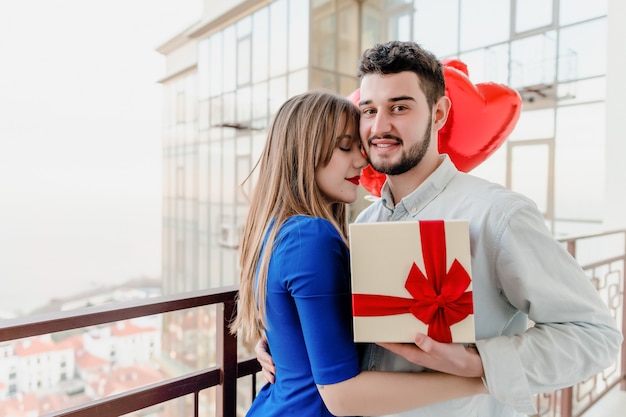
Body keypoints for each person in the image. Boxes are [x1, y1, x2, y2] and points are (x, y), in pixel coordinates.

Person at [255, 41, 623, 416]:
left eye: (399, 107)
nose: (380, 126)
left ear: (439, 112)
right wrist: (284, 347)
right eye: (369, 110)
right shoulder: (364, 223)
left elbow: (596, 338)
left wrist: (481, 363)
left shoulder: (497, 214)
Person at [230, 89, 487, 417]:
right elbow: (342, 396)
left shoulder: (276, 230)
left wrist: (282, 348)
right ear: (304, 152)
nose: (361, 160)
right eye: (344, 146)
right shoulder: (310, 236)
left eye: (359, 147)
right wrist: (482, 379)